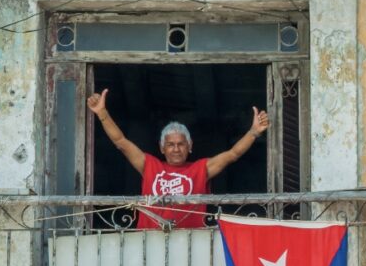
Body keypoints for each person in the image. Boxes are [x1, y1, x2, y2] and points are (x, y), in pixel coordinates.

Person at [86, 89, 270, 229]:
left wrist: (253, 132)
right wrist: (102, 113)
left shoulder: (200, 169)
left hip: (191, 243)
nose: (176, 149)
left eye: (181, 144)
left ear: (189, 147)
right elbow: (121, 142)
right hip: (148, 242)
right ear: (162, 148)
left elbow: (233, 154)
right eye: (170, 144)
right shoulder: (150, 165)